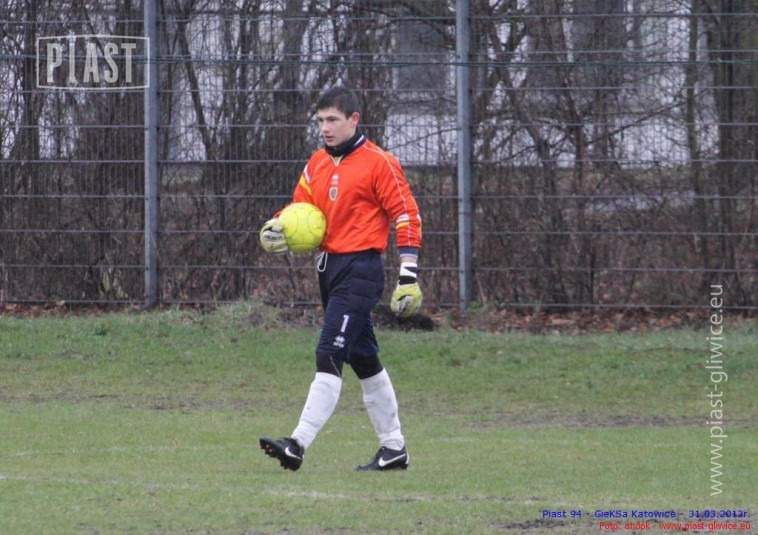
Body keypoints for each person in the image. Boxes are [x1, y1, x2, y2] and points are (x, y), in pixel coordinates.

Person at [258, 87, 423, 471]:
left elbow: (407, 216)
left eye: (332, 120)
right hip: (328, 270)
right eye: (320, 121)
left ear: (354, 119)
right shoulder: (317, 163)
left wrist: (408, 276)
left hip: (361, 270)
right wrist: (277, 226)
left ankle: (297, 444)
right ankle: (394, 448)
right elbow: (301, 208)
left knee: (329, 352)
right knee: (364, 359)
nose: (325, 128)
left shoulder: (380, 163)